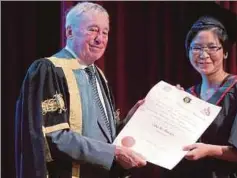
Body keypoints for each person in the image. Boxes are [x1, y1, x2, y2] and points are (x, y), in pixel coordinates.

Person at [14, 2, 146, 178]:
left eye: (105, 32)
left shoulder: (98, 74)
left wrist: (130, 120)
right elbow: (54, 137)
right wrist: (113, 152)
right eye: (92, 30)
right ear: (69, 32)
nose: (100, 38)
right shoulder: (50, 70)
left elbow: (102, 137)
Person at [162, 5, 237, 178]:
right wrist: (173, 106)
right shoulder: (188, 95)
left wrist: (210, 150)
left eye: (212, 47)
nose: (204, 55)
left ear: (225, 52)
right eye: (196, 48)